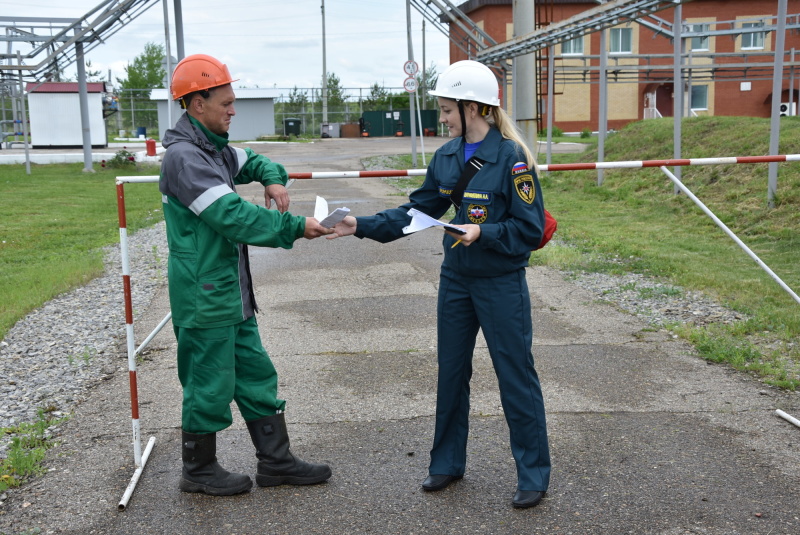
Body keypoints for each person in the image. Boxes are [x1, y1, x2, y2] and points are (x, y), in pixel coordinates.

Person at [330, 60, 551, 508]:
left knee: (515, 376)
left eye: (448, 109)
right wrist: (359, 224)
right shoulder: (447, 156)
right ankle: (447, 463)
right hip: (456, 282)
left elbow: (529, 230)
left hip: (501, 283)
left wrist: (483, 233)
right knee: (451, 373)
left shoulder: (513, 158)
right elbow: (417, 212)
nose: (443, 118)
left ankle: (533, 474)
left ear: (474, 107)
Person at [160, 54, 332, 496]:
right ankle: (198, 471)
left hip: (232, 295)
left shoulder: (213, 148)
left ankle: (276, 463)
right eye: (225, 103)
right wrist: (295, 227)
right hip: (205, 295)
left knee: (256, 375)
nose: (233, 110)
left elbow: (253, 161)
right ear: (197, 104)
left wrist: (274, 179)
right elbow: (233, 217)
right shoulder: (186, 159)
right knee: (207, 384)